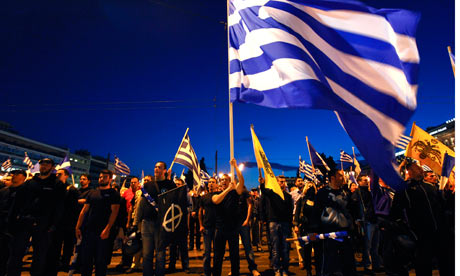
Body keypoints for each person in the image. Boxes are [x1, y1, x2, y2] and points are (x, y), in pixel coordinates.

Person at [391, 160, 453, 275]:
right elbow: (396, 213)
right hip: (421, 235)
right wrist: (410, 232)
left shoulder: (430, 187)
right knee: (424, 265)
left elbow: (442, 207)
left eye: (419, 169)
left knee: (445, 263)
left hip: (439, 232)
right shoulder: (404, 191)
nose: (419, 170)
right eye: (415, 169)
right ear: (408, 173)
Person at [7, 158, 67, 276]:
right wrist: (13, 220)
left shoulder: (57, 184)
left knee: (39, 257)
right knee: (16, 254)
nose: (44, 166)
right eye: (42, 164)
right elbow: (18, 203)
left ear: (52, 167)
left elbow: (59, 206)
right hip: (25, 222)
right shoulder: (30, 183)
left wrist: (53, 225)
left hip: (43, 225)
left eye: (47, 164)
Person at [75, 169, 120, 276]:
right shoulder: (92, 193)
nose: (101, 179)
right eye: (100, 177)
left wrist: (107, 229)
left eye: (104, 177)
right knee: (86, 261)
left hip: (103, 233)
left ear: (110, 179)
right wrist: (77, 227)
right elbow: (84, 211)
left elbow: (114, 213)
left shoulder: (114, 194)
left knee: (100, 262)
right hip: (88, 231)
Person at [134, 162, 176, 276]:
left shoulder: (170, 185)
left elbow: (175, 205)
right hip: (146, 223)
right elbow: (141, 204)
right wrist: (136, 222)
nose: (156, 169)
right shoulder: (148, 185)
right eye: (155, 167)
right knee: (147, 254)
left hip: (161, 225)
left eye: (159, 167)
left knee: (160, 254)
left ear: (165, 170)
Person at [314, 168, 356, 276]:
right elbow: (316, 212)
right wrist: (316, 230)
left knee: (347, 261)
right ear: (333, 178)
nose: (343, 178)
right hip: (329, 232)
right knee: (329, 261)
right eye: (341, 176)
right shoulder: (322, 193)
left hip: (345, 232)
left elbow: (351, 210)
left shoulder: (345, 193)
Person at [212, 158, 245, 276]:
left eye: (226, 179)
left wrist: (236, 166)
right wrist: (227, 189)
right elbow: (216, 201)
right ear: (220, 182)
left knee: (234, 255)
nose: (224, 181)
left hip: (233, 229)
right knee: (218, 256)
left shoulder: (235, 192)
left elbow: (241, 181)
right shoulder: (216, 194)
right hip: (220, 229)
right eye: (222, 180)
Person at [258, 175, 293, 276]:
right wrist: (262, 183)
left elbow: (290, 211)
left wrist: (291, 224)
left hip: (285, 223)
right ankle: (277, 269)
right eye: (280, 181)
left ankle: (285, 269)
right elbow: (264, 191)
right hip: (273, 222)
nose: (282, 184)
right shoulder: (271, 194)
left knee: (286, 248)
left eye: (284, 182)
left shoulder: (288, 196)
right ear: (276, 183)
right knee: (275, 248)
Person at [48, 168, 80, 274]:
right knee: (55, 245)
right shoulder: (53, 187)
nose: (57, 175)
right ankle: (54, 264)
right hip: (56, 222)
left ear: (66, 176)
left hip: (68, 223)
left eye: (60, 174)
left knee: (68, 245)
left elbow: (75, 207)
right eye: (56, 174)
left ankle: (65, 264)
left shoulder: (71, 189)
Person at [351, 175, 380, 272]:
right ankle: (368, 266)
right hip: (366, 221)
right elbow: (354, 207)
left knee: (375, 245)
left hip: (374, 220)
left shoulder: (369, 192)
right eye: (364, 180)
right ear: (359, 182)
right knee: (367, 245)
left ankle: (376, 265)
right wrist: (358, 219)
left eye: (367, 180)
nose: (367, 182)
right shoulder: (357, 193)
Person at [0, 170, 26, 276]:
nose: (13, 176)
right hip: (2, 227)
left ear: (23, 177)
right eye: (13, 174)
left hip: (17, 229)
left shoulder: (26, 192)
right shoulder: (3, 191)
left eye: (16, 174)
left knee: (15, 257)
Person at [293, 184, 319, 276]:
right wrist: (296, 225)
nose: (310, 188)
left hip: (317, 229)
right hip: (306, 229)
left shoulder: (318, 200)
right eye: (308, 186)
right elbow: (297, 213)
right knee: (307, 251)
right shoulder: (302, 200)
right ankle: (308, 271)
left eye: (312, 186)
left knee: (318, 251)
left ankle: (319, 271)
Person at [237, 186, 260, 276]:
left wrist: (247, 220)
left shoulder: (244, 192)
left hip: (243, 223)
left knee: (247, 246)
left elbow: (250, 205)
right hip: (234, 224)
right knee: (234, 248)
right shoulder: (232, 192)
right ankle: (235, 269)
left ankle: (253, 268)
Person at [199, 177, 218, 276]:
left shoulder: (219, 195)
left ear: (216, 184)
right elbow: (200, 212)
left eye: (213, 182)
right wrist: (201, 225)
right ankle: (206, 273)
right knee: (206, 253)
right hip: (207, 227)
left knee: (216, 252)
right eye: (209, 182)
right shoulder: (204, 197)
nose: (210, 184)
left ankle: (215, 272)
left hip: (217, 228)